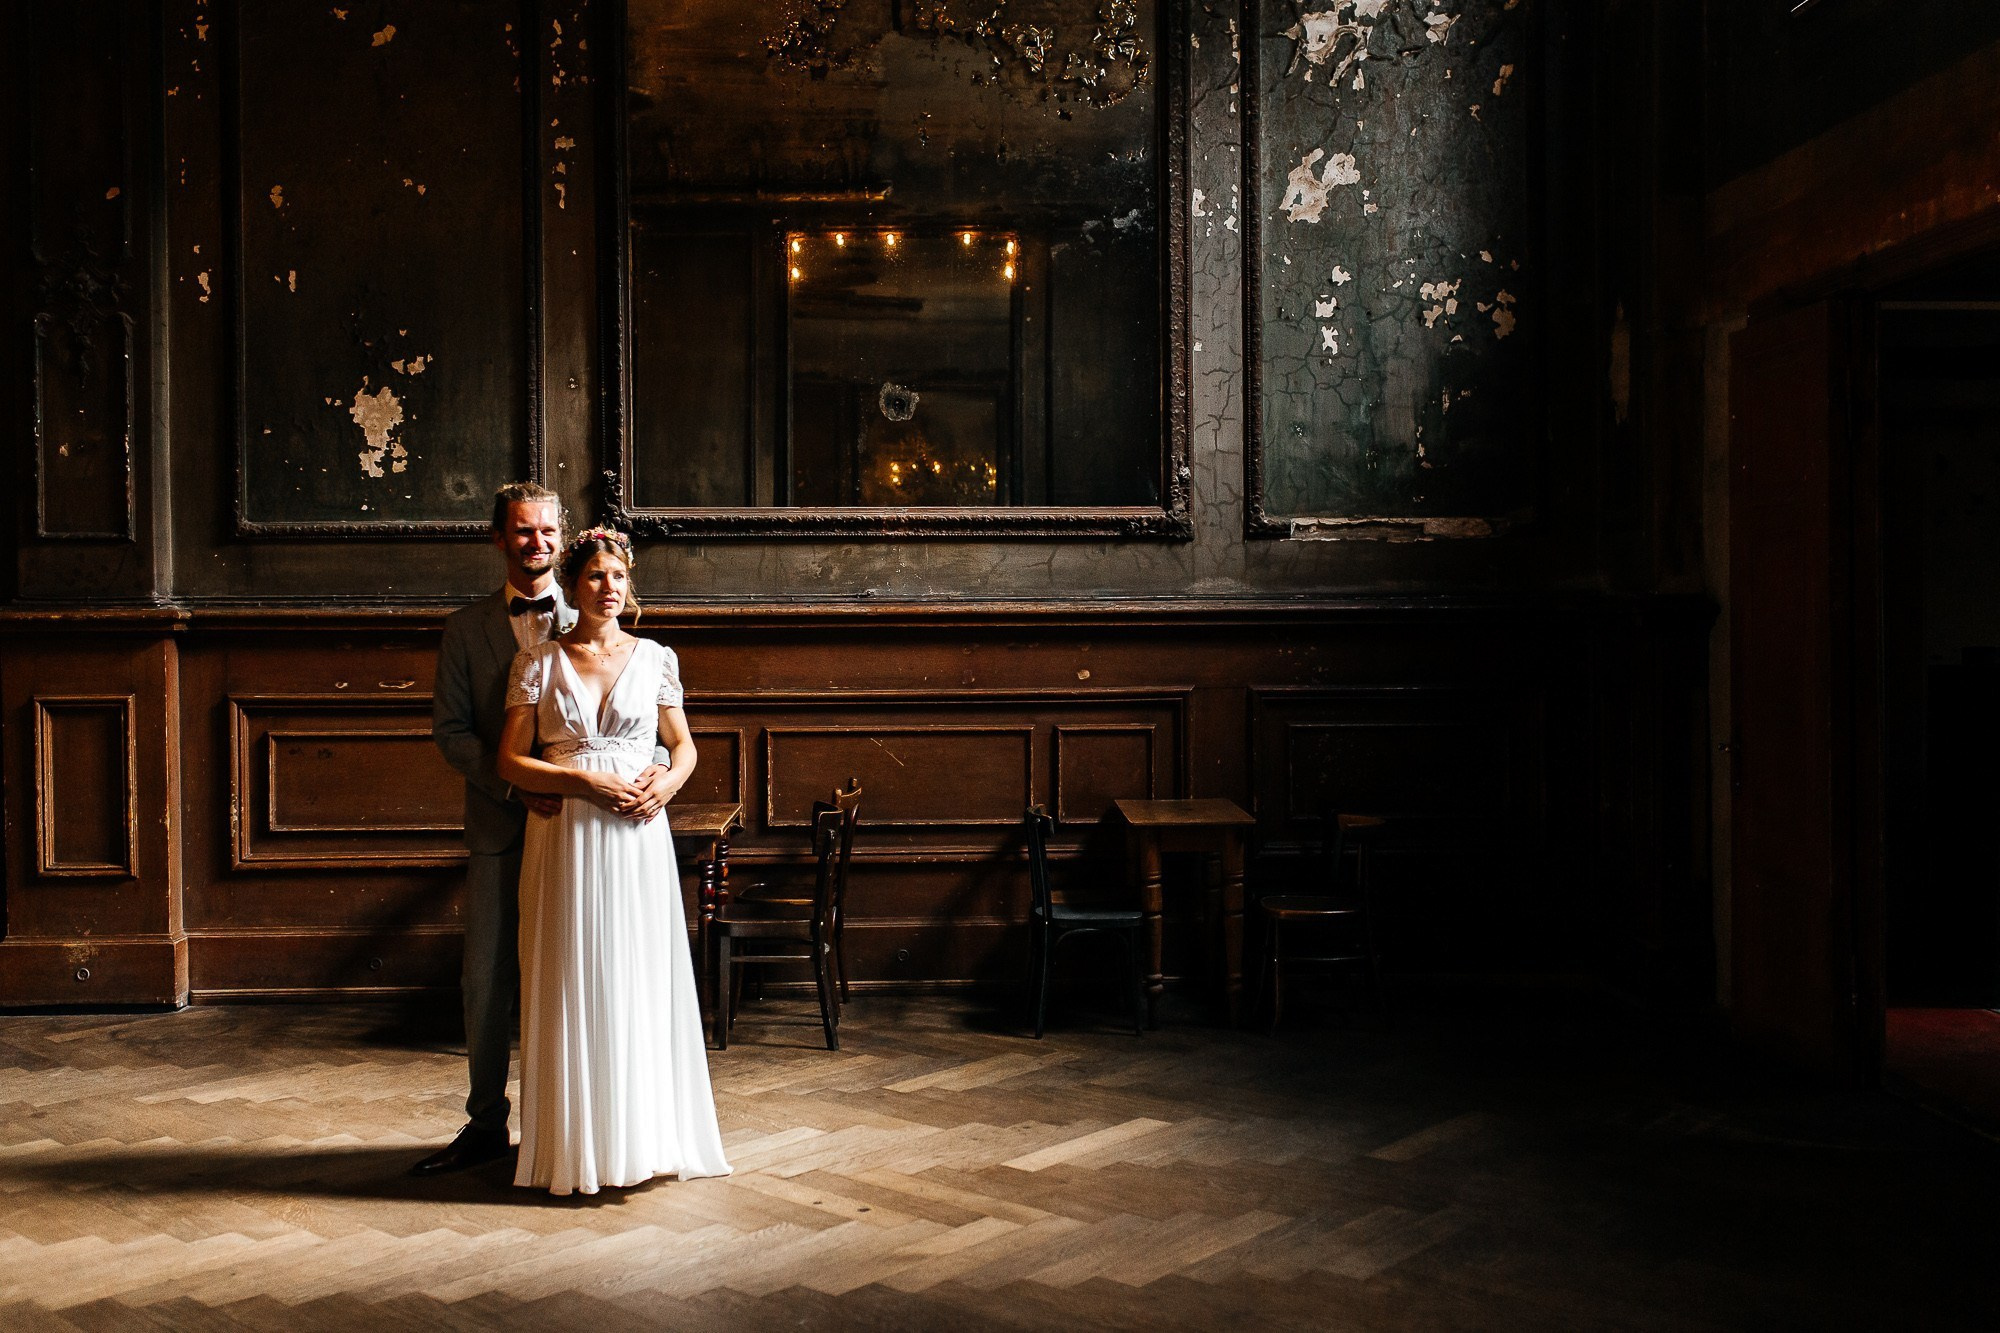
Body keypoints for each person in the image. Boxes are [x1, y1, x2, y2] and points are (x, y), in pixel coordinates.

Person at [415, 485, 679, 1178]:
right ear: (499, 539)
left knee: (589, 973)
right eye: (524, 532)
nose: (538, 542)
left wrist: (650, 772)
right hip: (505, 828)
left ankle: (595, 1129)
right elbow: (450, 733)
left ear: (564, 542)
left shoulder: (595, 601)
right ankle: (484, 1125)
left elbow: (641, 725)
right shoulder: (465, 628)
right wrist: (520, 784)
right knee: (488, 977)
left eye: (548, 532)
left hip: (592, 836)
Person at [496, 526, 730, 1194]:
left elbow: (682, 747)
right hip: (564, 834)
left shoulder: (657, 657)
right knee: (570, 972)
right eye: (596, 575)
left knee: (638, 973)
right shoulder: (536, 663)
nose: (609, 586)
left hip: (636, 838)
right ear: (573, 584)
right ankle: (575, 1147)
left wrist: (667, 782)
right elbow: (508, 760)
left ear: (630, 587)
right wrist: (582, 782)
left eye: (619, 575)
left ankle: (643, 1140)